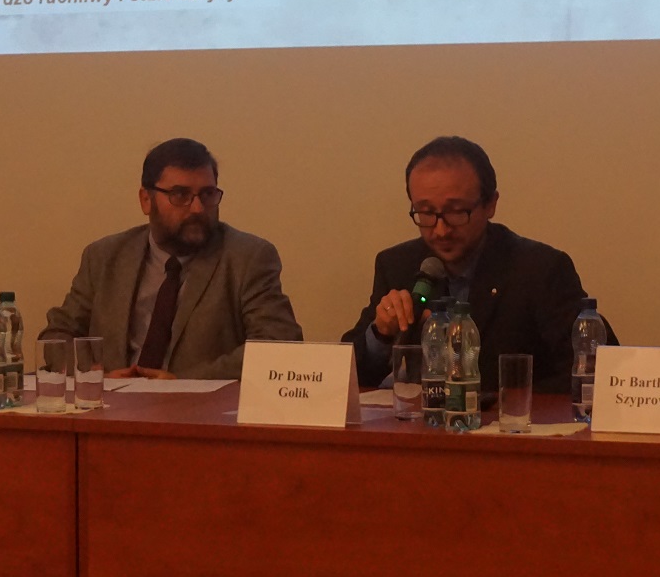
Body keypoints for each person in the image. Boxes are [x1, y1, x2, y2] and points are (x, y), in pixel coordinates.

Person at [342, 136, 614, 394]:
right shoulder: (397, 265)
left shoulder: (540, 270)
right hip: (422, 423)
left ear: (490, 204)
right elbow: (345, 376)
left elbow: (597, 370)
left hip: (510, 423)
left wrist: (501, 400)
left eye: (456, 211)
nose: (440, 230)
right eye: (426, 212)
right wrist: (380, 334)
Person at [40, 137, 302, 380]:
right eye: (180, 195)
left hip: (201, 410)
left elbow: (278, 345)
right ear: (146, 200)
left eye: (208, 194)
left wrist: (182, 384)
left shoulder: (248, 257)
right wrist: (96, 377)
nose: (197, 208)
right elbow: (57, 336)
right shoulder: (104, 257)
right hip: (114, 406)